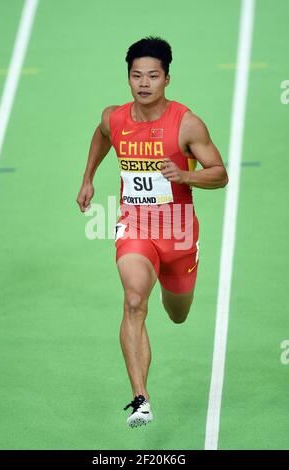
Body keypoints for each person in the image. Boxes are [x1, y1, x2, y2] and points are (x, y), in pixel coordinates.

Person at [76, 36, 228, 428]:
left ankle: (172, 281)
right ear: (128, 78)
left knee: (177, 314)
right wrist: (88, 178)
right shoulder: (115, 117)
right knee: (132, 301)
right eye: (136, 76)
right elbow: (101, 136)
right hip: (135, 225)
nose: (144, 83)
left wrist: (186, 174)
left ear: (167, 79)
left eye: (153, 76)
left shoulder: (187, 123)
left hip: (178, 234)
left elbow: (220, 174)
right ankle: (141, 398)